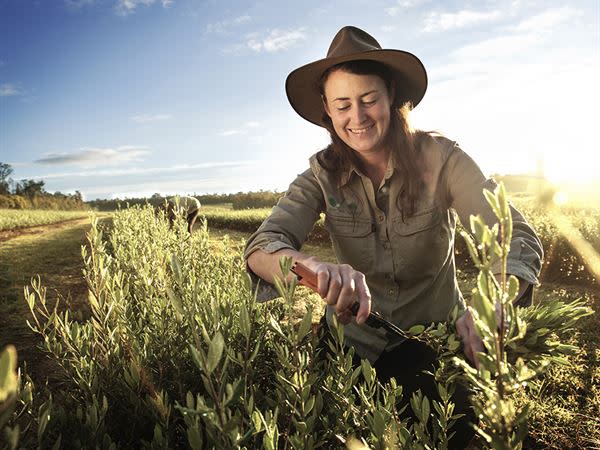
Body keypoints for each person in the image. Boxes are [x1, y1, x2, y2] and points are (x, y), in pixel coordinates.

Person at [243, 26, 543, 448]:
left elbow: (514, 233)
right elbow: (263, 244)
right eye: (343, 105)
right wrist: (309, 266)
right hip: (351, 349)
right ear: (328, 112)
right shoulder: (319, 175)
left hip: (433, 345)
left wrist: (493, 301)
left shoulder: (443, 159)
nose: (358, 117)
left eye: (369, 100)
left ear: (392, 99)